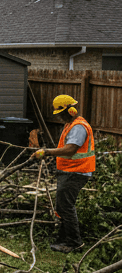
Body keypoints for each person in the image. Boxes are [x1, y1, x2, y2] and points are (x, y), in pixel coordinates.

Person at [34, 94, 95, 253]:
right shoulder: (70, 124)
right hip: (69, 171)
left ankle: (74, 243)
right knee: (62, 206)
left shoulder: (78, 127)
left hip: (76, 172)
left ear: (71, 110)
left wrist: (46, 152)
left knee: (66, 207)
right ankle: (62, 240)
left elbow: (70, 150)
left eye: (61, 114)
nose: (60, 117)